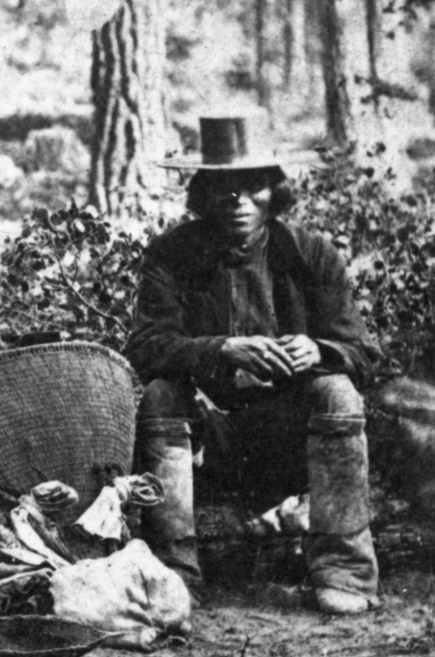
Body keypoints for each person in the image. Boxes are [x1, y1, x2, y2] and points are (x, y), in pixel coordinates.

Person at [126, 114, 382, 615]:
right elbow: (147, 346)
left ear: (274, 191)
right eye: (223, 186)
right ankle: (175, 574)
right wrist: (221, 349)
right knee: (159, 394)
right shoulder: (171, 255)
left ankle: (344, 570)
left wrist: (321, 351)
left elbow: (363, 353)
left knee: (338, 392)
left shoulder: (310, 254)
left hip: (290, 438)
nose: (238, 200)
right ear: (203, 192)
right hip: (210, 442)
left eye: (253, 186)